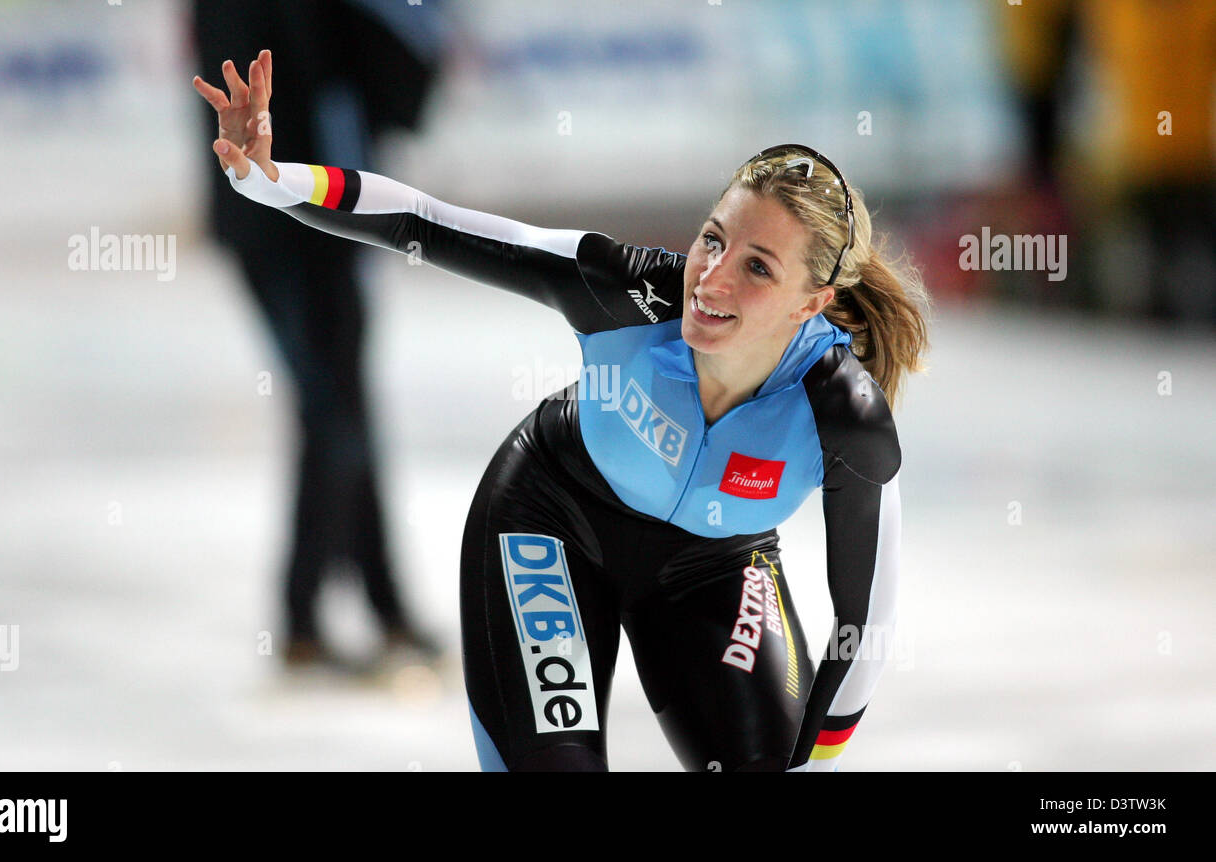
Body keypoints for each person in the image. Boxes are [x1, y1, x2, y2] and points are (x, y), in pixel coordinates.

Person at [193, 51, 931, 771]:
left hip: (715, 567)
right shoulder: (623, 291)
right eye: (713, 239)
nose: (712, 278)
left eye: (758, 266)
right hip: (549, 520)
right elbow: (423, 219)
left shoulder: (845, 417)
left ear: (813, 303)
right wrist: (273, 179)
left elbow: (865, 627)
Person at [191, 1, 443, 670]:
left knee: (344, 410)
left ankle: (380, 610)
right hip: (278, 226)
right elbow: (255, 96)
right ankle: (305, 620)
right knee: (334, 413)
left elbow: (402, 92)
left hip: (329, 220)